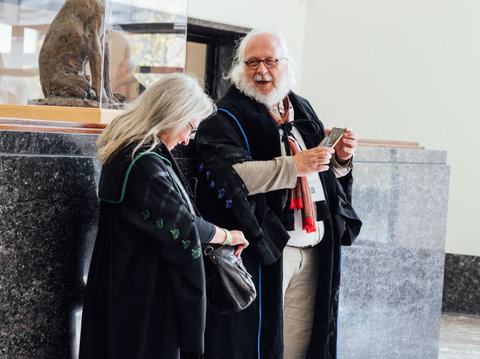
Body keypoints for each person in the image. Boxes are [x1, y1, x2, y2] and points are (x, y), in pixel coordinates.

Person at [194, 30, 362, 359]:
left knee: (301, 344)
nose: (261, 71)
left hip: (313, 250)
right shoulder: (226, 116)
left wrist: (340, 159)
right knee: (258, 343)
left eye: (270, 61)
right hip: (266, 252)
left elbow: (322, 173)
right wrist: (293, 166)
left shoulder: (301, 109)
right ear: (239, 68)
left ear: (286, 64)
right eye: (252, 62)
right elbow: (230, 176)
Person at [78, 73, 249, 359]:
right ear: (172, 114)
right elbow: (183, 225)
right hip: (143, 293)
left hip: (125, 282)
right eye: (190, 128)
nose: (187, 140)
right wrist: (228, 236)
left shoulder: (130, 151)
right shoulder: (143, 162)